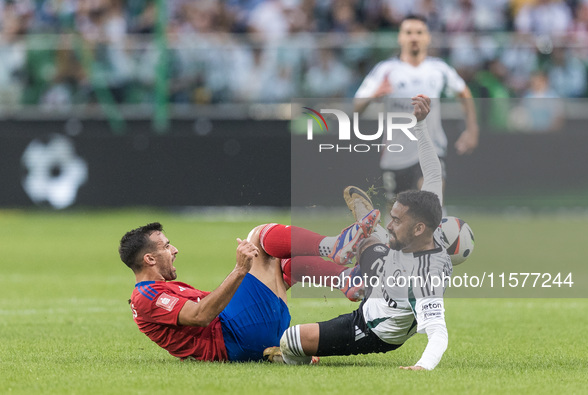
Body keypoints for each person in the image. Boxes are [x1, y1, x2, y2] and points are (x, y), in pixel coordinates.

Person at [266, 95, 453, 371]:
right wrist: (421, 124)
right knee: (366, 240)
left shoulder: (426, 276)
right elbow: (433, 173)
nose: (391, 223)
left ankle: (303, 352)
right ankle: (354, 275)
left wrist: (422, 367)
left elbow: (438, 332)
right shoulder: (427, 217)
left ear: (418, 228)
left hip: (371, 326)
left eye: (397, 221)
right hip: (385, 273)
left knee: (290, 339)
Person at [119, 211, 380, 362]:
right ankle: (334, 246)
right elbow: (200, 317)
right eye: (166, 246)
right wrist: (240, 269)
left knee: (283, 262)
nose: (174, 250)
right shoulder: (146, 296)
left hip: (245, 339)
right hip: (235, 337)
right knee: (259, 236)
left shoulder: (157, 291)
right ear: (149, 259)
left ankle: (347, 279)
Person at [353, 14, 479, 200]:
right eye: (408, 32)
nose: (414, 37)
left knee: (430, 203)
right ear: (400, 37)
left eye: (419, 32)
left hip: (431, 148)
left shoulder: (439, 69)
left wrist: (472, 129)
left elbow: (464, 93)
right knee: (397, 219)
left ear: (427, 37)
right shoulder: (385, 70)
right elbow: (356, 107)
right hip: (396, 154)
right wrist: (373, 95)